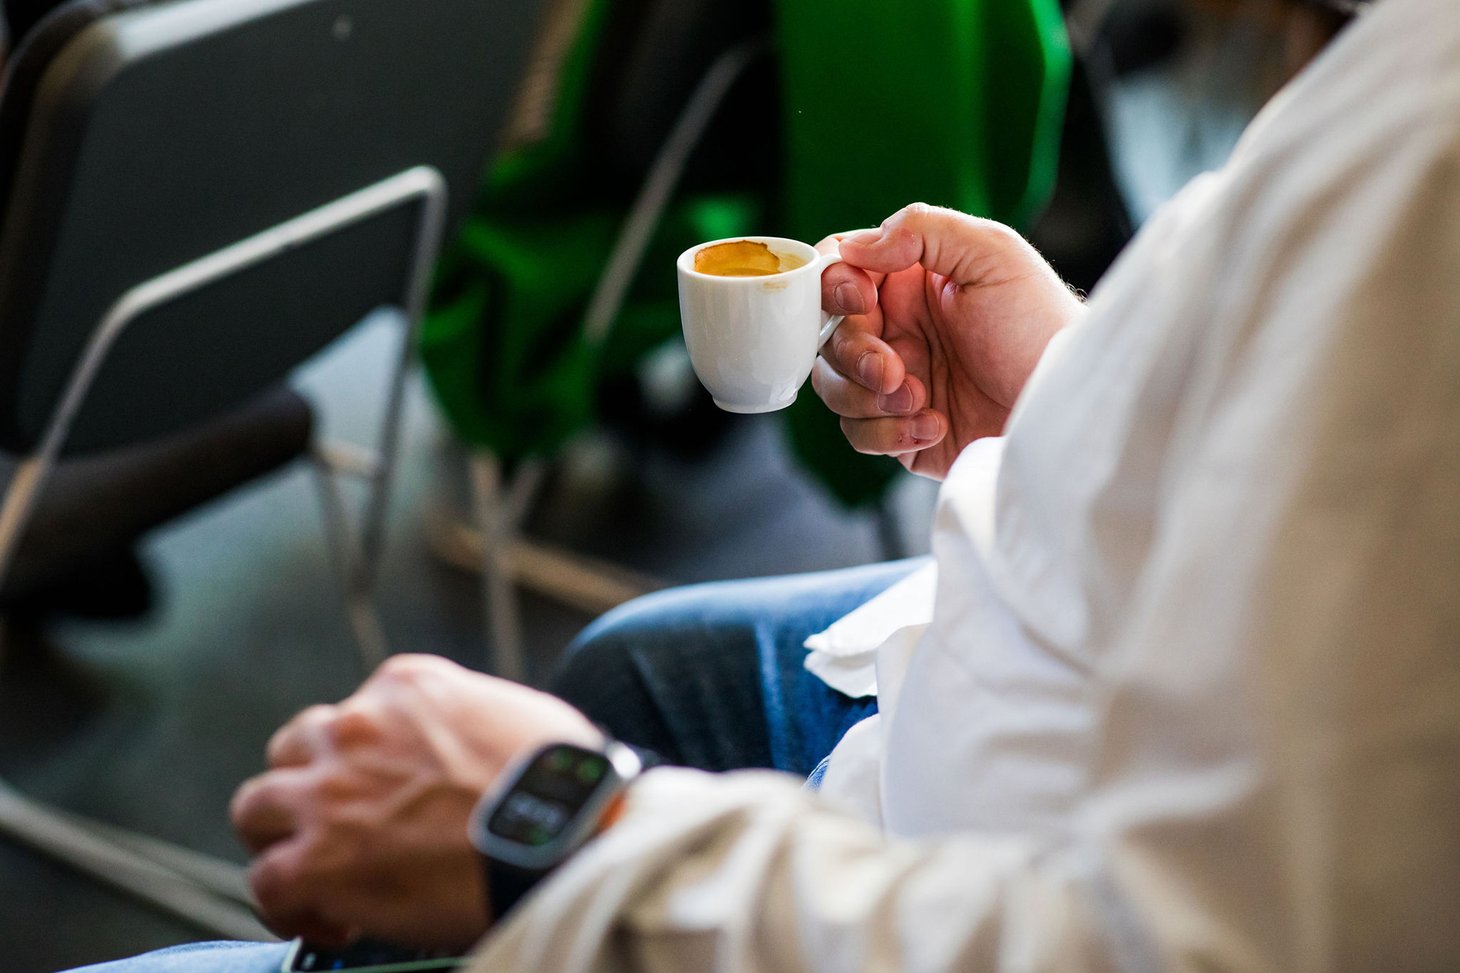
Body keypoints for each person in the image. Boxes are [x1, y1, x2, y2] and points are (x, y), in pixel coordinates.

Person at [72, 0, 1460, 968]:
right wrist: (1080, 399)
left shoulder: (1429, 160)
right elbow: (1326, 471)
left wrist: (569, 843)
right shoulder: (1396, 82)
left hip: (958, 859)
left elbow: (1212, 943)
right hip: (979, 696)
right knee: (634, 658)